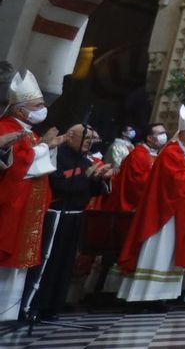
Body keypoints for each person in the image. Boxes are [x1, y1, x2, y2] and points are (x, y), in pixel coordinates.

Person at [116, 104, 185, 304]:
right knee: (160, 250)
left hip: (181, 213)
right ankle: (144, 296)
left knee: (171, 253)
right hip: (165, 212)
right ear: (184, 134)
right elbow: (174, 182)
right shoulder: (171, 152)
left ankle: (162, 296)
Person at [24, 123, 113, 320]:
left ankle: (54, 306)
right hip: (56, 216)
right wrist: (85, 175)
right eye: (85, 138)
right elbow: (56, 182)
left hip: (75, 216)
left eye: (91, 140)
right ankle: (34, 306)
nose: (88, 143)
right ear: (70, 136)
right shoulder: (58, 154)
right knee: (48, 261)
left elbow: (93, 190)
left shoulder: (86, 160)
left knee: (66, 264)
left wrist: (100, 178)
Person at [0, 70, 60, 322]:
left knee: (18, 268)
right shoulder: (6, 127)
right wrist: (45, 145)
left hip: (27, 210)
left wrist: (45, 146)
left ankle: (10, 314)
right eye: (38, 105)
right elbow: (19, 166)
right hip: (11, 208)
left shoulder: (28, 132)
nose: (43, 109)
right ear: (21, 110)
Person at [109, 122, 165, 214]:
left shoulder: (157, 154)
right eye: (160, 134)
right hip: (134, 206)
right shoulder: (139, 155)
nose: (164, 136)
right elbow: (136, 182)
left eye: (164, 133)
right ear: (149, 138)